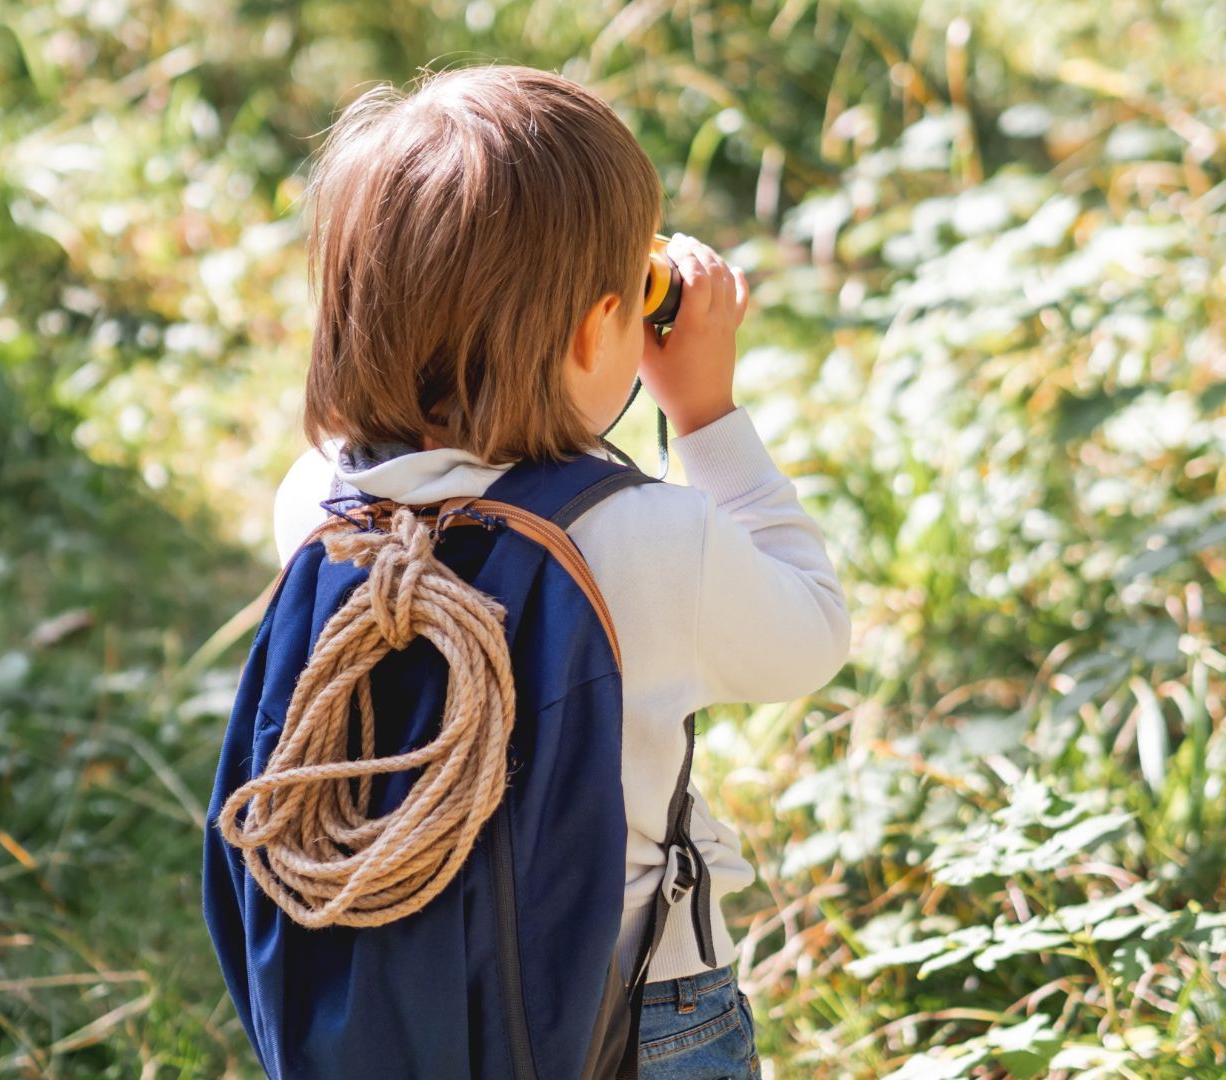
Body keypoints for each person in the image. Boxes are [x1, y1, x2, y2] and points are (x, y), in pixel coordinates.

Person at [266, 63, 851, 1078]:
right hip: (630, 1014)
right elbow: (811, 633)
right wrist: (704, 416)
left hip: (390, 1003)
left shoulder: (319, 502)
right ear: (597, 332)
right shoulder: (644, 538)